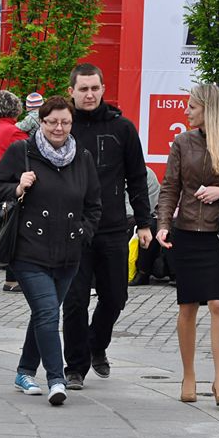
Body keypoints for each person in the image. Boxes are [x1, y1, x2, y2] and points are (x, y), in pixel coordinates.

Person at [0, 96, 102, 406]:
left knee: (42, 314)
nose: (59, 128)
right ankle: (55, 379)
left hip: (68, 254)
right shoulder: (22, 152)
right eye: (52, 122)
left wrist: (84, 233)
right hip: (29, 250)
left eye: (65, 122)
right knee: (49, 313)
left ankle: (24, 371)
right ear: (41, 122)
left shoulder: (83, 158)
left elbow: (93, 204)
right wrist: (17, 187)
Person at [155, 83, 219, 405]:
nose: (185, 112)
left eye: (192, 107)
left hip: (218, 235)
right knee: (187, 306)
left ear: (208, 110)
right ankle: (188, 376)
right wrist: (162, 224)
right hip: (186, 232)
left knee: (218, 304)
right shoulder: (182, 143)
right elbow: (170, 186)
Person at [62, 63, 153, 390]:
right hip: (72, 229)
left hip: (113, 227)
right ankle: (74, 367)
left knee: (115, 297)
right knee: (74, 300)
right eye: (83, 89)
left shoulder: (122, 129)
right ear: (71, 91)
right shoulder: (64, 128)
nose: (89, 94)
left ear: (102, 90)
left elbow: (137, 177)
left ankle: (96, 344)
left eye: (94, 88)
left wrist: (144, 221)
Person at [0, 90, 30, 293]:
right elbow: (32, 150)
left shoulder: (0, 128)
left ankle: (12, 279)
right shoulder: (13, 131)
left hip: (4, 185)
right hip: (15, 187)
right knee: (18, 237)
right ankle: (13, 280)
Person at [127, 166, 163, 286]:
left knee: (146, 226)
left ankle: (143, 273)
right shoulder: (112, 174)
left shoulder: (146, 174)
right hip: (121, 217)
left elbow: (147, 206)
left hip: (145, 216)